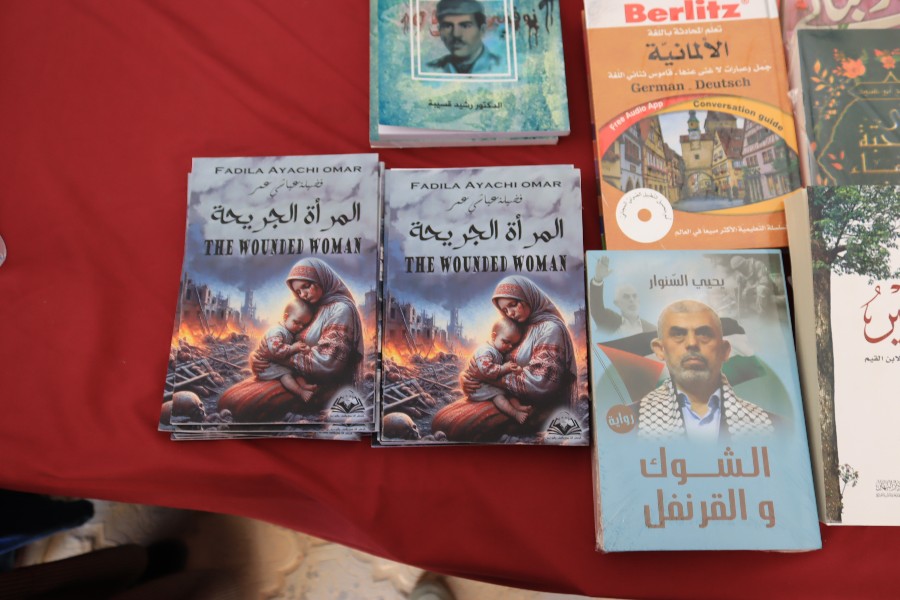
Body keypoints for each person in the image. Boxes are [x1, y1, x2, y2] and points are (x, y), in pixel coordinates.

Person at [432, 276, 577, 442]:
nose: (510, 313)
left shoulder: (551, 329)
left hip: (532, 406)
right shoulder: (517, 327)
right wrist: (466, 377)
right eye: (505, 310)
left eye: (513, 304)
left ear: (528, 296)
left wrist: (487, 378)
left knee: (454, 425)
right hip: (504, 396)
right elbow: (493, 357)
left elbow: (541, 384)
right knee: (442, 419)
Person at [218, 258, 365, 422]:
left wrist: (274, 356)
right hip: (291, 375)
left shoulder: (341, 310)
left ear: (322, 278)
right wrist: (257, 357)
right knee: (229, 397)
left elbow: (327, 364)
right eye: (298, 292)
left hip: (320, 385)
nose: (303, 294)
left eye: (306, 286)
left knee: (243, 404)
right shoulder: (310, 307)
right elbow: (285, 338)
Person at [634, 300, 775, 442]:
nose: (692, 343)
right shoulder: (629, 426)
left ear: (724, 350)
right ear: (660, 349)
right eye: (678, 334)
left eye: (704, 334)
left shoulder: (772, 427)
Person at [464, 317, 531, 424]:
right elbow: (487, 371)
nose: (510, 346)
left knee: (509, 390)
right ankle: (515, 413)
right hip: (478, 387)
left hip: (488, 383)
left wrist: (515, 369)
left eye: (513, 344)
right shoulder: (485, 351)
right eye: (506, 342)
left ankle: (518, 406)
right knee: (499, 397)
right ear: (494, 336)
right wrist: (505, 368)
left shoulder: (497, 350)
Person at [255, 299, 318, 403]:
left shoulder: (289, 331)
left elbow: (295, 346)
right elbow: (276, 351)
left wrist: (303, 348)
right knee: (286, 375)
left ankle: (304, 385)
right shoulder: (276, 331)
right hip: (267, 366)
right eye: (297, 322)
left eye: (303, 325)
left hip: (278, 362)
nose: (300, 327)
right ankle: (300, 392)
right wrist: (293, 348)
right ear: (286, 317)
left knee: (296, 370)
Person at [426, 0, 502, 74]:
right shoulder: (430, 69)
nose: (456, 34)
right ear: (440, 31)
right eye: (448, 26)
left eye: (465, 26)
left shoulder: (501, 66)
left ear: (482, 30)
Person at [589, 255, 655, 337]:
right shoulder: (608, 321)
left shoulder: (652, 329)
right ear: (617, 303)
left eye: (634, 296)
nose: (631, 300)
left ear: (639, 301)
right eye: (626, 297)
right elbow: (596, 308)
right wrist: (598, 278)